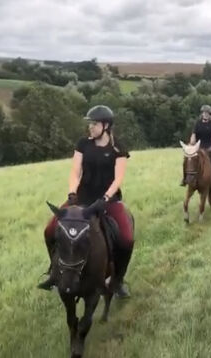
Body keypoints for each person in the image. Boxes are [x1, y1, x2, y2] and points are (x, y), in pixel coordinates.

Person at [38, 105, 134, 298]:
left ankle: (117, 281)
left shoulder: (118, 148)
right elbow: (75, 171)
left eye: (94, 124)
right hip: (81, 199)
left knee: (126, 239)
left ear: (106, 125)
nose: (90, 127)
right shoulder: (83, 144)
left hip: (108, 201)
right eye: (90, 124)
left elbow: (118, 179)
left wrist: (106, 198)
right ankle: (55, 273)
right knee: (49, 230)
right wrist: (72, 192)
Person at [180, 104, 211, 186]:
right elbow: (193, 137)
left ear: (210, 115)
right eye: (204, 113)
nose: (206, 114)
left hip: (210, 148)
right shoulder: (197, 124)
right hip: (199, 148)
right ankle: (184, 179)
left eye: (207, 113)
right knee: (186, 160)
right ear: (202, 114)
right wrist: (190, 144)